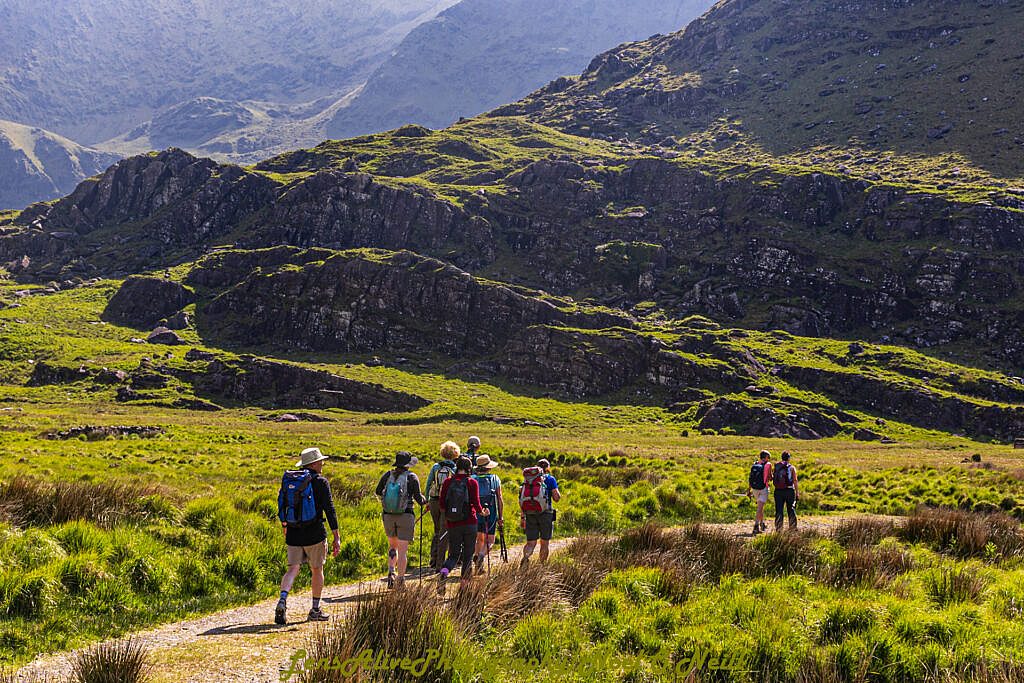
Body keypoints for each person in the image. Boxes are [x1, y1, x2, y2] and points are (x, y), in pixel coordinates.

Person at [275, 447, 341, 624]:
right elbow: (330, 510)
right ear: (314, 463)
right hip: (314, 533)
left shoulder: (291, 480)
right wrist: (336, 536)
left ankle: (282, 600)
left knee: (292, 569)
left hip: (293, 532)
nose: (322, 463)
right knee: (317, 569)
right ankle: (315, 609)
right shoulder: (321, 482)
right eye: (320, 461)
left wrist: (285, 525)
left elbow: (283, 505)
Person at [375, 451, 427, 588]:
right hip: (406, 515)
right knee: (403, 550)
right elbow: (419, 499)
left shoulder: (387, 475)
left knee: (393, 547)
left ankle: (391, 571)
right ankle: (401, 579)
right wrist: (425, 500)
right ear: (408, 465)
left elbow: (378, 491)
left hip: (388, 515)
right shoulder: (411, 477)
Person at [437, 456, 486, 595]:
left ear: (457, 467)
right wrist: (483, 512)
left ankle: (444, 573)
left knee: (453, 555)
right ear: (469, 468)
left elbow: (441, 504)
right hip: (470, 523)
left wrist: (448, 517)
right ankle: (464, 589)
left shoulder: (447, 482)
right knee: (468, 556)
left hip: (453, 524)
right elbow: (476, 505)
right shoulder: (472, 482)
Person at [425, 442, 459, 568]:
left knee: (436, 530)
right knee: (445, 531)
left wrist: (427, 500)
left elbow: (429, 483)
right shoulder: (454, 468)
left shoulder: (435, 467)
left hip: (434, 500)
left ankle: (433, 559)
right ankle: (442, 561)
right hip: (446, 502)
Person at [520, 458, 560, 566]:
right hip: (545, 513)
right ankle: (542, 566)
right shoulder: (550, 479)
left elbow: (522, 498)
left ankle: (526, 557)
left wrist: (522, 517)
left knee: (531, 542)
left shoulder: (528, 480)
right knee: (544, 542)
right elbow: (556, 497)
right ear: (548, 468)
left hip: (530, 513)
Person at [471, 455, 503, 574]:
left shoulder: (473, 478)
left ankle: (477, 561)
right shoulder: (495, 479)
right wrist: (500, 516)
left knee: (479, 539)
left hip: (476, 512)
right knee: (490, 540)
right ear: (489, 467)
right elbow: (499, 498)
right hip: (491, 512)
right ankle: (481, 557)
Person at [747, 450, 773, 535]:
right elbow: (770, 477)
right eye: (768, 457)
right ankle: (756, 526)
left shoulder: (755, 464)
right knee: (760, 508)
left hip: (754, 489)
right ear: (766, 457)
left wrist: (749, 490)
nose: (769, 459)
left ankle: (762, 524)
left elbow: (750, 478)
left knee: (760, 507)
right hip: (763, 488)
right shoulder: (768, 465)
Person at [773, 451, 799, 531]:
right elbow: (795, 480)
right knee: (790, 509)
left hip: (778, 491)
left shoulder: (777, 466)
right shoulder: (791, 467)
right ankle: (792, 527)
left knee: (779, 510)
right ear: (789, 458)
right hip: (789, 490)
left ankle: (779, 528)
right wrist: (797, 492)